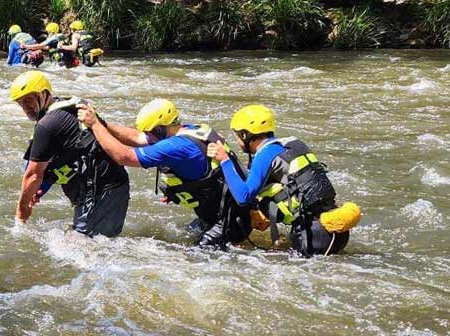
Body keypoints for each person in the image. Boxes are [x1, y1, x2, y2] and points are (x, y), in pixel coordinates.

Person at [77, 98, 251, 248]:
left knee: (194, 259)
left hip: (229, 222)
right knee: (186, 234)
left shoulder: (176, 146)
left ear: (160, 129)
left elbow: (124, 156)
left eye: (150, 132)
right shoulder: (192, 130)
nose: (147, 137)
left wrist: (94, 125)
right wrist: (103, 123)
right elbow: (137, 137)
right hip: (229, 213)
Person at [208, 105, 361, 257]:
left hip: (313, 235)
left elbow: (243, 197)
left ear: (244, 135)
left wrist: (224, 160)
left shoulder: (266, 154)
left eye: (236, 136)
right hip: (335, 231)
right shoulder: (293, 144)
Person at [8, 70, 129, 236]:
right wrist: (40, 189)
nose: (25, 106)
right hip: (111, 186)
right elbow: (65, 157)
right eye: (20, 102)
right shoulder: (69, 108)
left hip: (99, 192)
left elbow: (33, 175)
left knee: (86, 249)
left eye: (29, 98)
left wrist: (21, 216)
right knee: (92, 244)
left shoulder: (48, 125)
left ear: (44, 94)